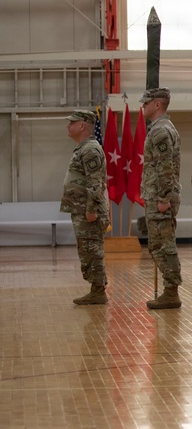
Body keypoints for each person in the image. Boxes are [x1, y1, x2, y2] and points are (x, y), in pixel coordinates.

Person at [140, 88, 183, 310]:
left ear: (157, 104)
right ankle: (170, 290)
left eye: (146, 103)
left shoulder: (160, 131)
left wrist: (164, 197)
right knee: (158, 244)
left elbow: (166, 168)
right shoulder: (161, 128)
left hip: (160, 197)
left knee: (163, 245)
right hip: (157, 195)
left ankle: (171, 292)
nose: (143, 106)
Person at [61, 110, 109, 305]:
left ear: (82, 126)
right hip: (81, 210)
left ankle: (98, 291)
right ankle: (95, 289)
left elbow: (95, 183)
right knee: (87, 250)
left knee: (92, 250)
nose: (68, 126)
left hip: (88, 212)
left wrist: (91, 209)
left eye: (71, 122)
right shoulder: (83, 149)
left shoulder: (90, 150)